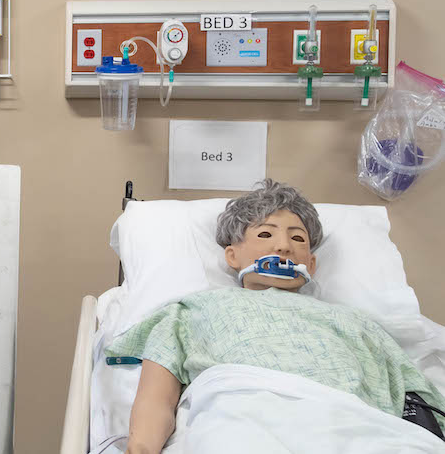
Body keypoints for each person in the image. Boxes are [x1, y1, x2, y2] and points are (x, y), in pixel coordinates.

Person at [110, 179, 445, 454]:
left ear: (311, 264)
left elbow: (414, 395)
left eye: (298, 238)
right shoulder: (192, 311)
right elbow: (156, 399)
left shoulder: (355, 323)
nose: (284, 247)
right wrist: (140, 450)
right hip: (245, 416)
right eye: (266, 234)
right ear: (233, 255)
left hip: (357, 424)